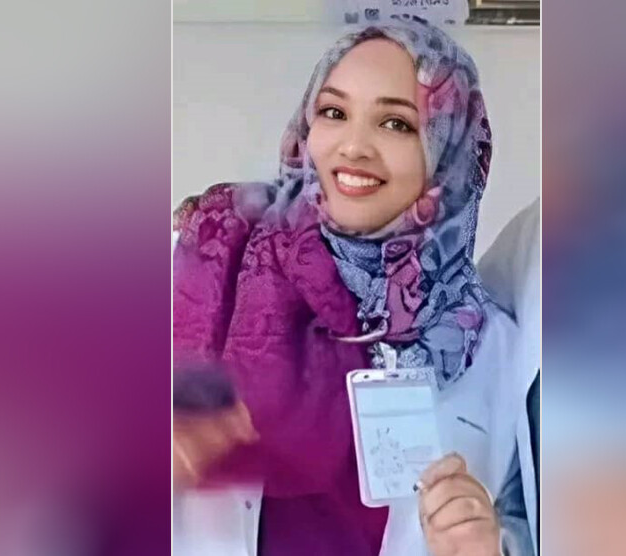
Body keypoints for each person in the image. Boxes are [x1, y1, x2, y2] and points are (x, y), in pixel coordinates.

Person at [172, 17, 538, 556]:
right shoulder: (207, 269)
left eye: (397, 123)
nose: (354, 146)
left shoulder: (493, 353)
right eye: (334, 113)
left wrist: (483, 547)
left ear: (451, 152)